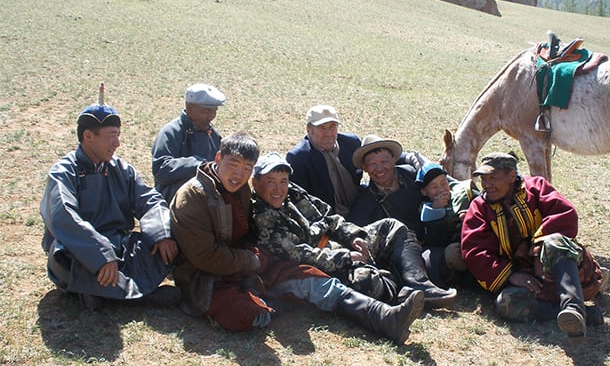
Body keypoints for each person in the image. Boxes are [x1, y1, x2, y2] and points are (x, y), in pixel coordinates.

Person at [170, 133, 424, 343]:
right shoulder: (195, 197)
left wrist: (350, 236)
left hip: (262, 263)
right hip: (218, 275)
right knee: (316, 284)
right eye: (233, 165)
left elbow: (325, 214)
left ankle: (418, 288)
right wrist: (254, 260)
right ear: (218, 158)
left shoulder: (239, 189)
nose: (238, 174)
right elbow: (207, 257)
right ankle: (387, 316)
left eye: (245, 168)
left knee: (388, 231)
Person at [251, 152, 457, 310]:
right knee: (368, 281)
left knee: (392, 227)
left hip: (336, 244)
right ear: (256, 182)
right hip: (324, 265)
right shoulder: (263, 217)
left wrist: (353, 236)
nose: (278, 188)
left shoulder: (293, 193)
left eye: (282, 181)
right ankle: (402, 292)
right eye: (271, 182)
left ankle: (419, 284)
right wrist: (347, 256)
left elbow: (329, 216)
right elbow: (300, 255)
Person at [40, 102, 180, 310]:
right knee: (63, 257)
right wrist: (101, 255)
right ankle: (142, 296)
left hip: (120, 245)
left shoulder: (121, 169)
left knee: (159, 247)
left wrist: (162, 234)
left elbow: (150, 201)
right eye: (112, 135)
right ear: (88, 136)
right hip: (81, 249)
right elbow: (64, 216)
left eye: (118, 135)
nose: (117, 143)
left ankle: (101, 294)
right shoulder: (63, 172)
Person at [460, 152, 604, 343]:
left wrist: (538, 250)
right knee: (507, 304)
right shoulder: (479, 207)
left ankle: (573, 306)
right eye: (484, 179)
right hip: (530, 280)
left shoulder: (536, 188)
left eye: (493, 178)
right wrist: (511, 274)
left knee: (555, 242)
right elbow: (474, 251)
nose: (486, 185)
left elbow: (565, 214)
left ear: (512, 176)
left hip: (561, 266)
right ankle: (580, 315)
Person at [151, 83, 226, 203]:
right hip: (175, 199)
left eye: (214, 111)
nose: (211, 116)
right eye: (206, 111)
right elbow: (161, 169)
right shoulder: (171, 132)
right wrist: (198, 164)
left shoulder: (212, 134)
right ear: (189, 107)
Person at [286, 105, 362, 217]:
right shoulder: (299, 157)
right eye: (322, 128)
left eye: (333, 127)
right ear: (309, 130)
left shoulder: (351, 143)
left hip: (358, 206)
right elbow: (302, 202)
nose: (328, 134)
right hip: (328, 216)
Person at [415, 163, 480, 287]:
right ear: (424, 192)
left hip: (475, 240)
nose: (441, 189)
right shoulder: (426, 210)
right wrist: (436, 212)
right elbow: (434, 243)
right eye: (434, 187)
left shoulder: (463, 194)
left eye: (443, 183)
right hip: (453, 248)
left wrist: (471, 217)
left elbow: (484, 206)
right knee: (454, 254)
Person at [348, 135, 423, 234]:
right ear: (364, 168)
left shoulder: (413, 176)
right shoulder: (364, 204)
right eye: (372, 164)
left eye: (384, 161)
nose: (379, 168)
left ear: (394, 160)